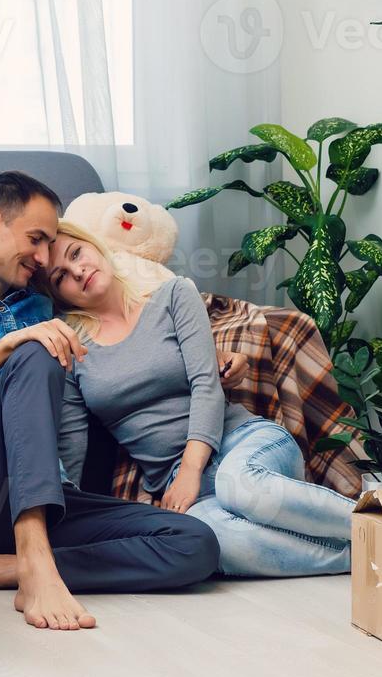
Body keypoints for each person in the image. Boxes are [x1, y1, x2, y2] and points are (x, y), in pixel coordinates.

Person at [0, 171, 247, 631]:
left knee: (194, 544)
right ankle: (35, 563)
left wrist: (209, 351)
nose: (44, 258)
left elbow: (123, 317)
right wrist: (12, 344)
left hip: (50, 497)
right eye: (37, 239)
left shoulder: (45, 305)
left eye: (52, 247)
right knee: (35, 352)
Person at [45, 220, 356, 577]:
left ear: (95, 246)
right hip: (178, 485)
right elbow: (72, 443)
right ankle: (362, 557)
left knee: (239, 485)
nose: (77, 270)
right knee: (212, 539)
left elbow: (206, 383)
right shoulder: (72, 347)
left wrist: (191, 470)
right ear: (58, 296)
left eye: (76, 253)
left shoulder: (173, 295)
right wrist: (64, 519)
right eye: (60, 277)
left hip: (243, 443)